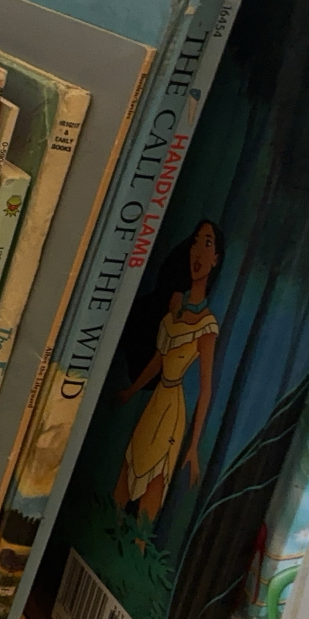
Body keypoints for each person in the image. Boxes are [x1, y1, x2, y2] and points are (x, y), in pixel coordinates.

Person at [114, 220, 223, 542]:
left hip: (173, 411)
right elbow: (159, 360)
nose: (198, 251)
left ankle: (137, 549)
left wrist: (193, 446)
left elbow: (206, 389)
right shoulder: (175, 304)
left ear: (216, 258)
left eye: (207, 243)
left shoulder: (207, 325)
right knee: (127, 472)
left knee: (154, 484)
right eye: (196, 242)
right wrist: (131, 391)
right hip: (155, 402)